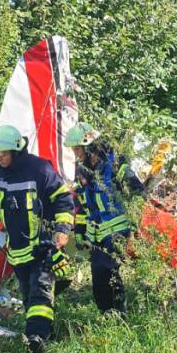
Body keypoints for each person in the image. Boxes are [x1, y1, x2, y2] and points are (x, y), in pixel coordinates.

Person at [0, 125, 74, 353]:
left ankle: (37, 340)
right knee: (28, 296)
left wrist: (62, 229)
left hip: (43, 245)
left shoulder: (40, 169)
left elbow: (62, 199)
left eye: (3, 155)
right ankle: (39, 334)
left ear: (16, 150)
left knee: (40, 292)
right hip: (18, 250)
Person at [64, 122, 144, 314]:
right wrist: (81, 232)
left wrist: (135, 228)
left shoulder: (114, 165)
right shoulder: (81, 170)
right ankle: (107, 314)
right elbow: (83, 205)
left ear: (90, 145)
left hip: (118, 230)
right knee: (98, 275)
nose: (75, 152)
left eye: (77, 148)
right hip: (97, 234)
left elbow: (137, 194)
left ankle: (120, 312)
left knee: (108, 270)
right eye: (73, 148)